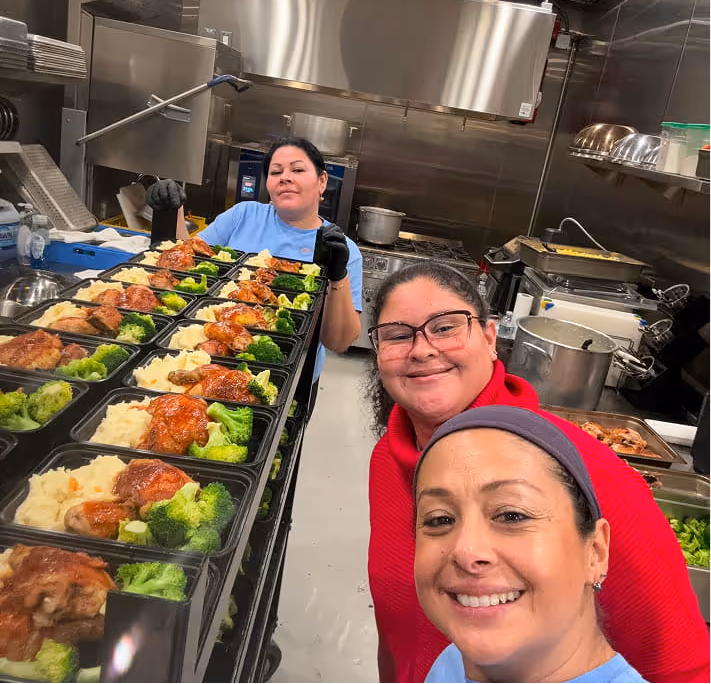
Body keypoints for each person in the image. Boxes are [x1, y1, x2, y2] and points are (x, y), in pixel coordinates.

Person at [366, 261, 709, 684]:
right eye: (398, 335)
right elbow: (401, 630)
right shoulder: (389, 457)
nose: (421, 349)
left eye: (446, 327)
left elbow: (680, 666)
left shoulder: (593, 477)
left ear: (491, 338)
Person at [414, 405, 645, 683]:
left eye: (512, 515)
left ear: (595, 553)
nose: (466, 551)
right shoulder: (452, 664)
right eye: (440, 519)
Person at [147, 137, 363, 400]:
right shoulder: (243, 215)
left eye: (297, 169)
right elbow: (186, 260)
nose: (285, 177)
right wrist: (172, 210)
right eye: (276, 172)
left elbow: (339, 342)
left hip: (287, 380)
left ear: (322, 182)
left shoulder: (341, 248)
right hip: (210, 360)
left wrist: (337, 275)